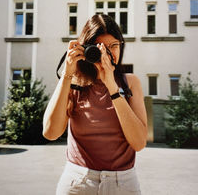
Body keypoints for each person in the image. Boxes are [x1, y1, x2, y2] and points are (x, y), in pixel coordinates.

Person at [43, 14, 147, 195]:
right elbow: (50, 133)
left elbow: (139, 143)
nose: (107, 53)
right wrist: (67, 74)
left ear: (122, 45)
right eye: (100, 48)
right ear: (87, 49)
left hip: (123, 183)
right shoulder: (74, 83)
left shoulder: (130, 83)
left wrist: (113, 89)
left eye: (114, 46)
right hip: (78, 182)